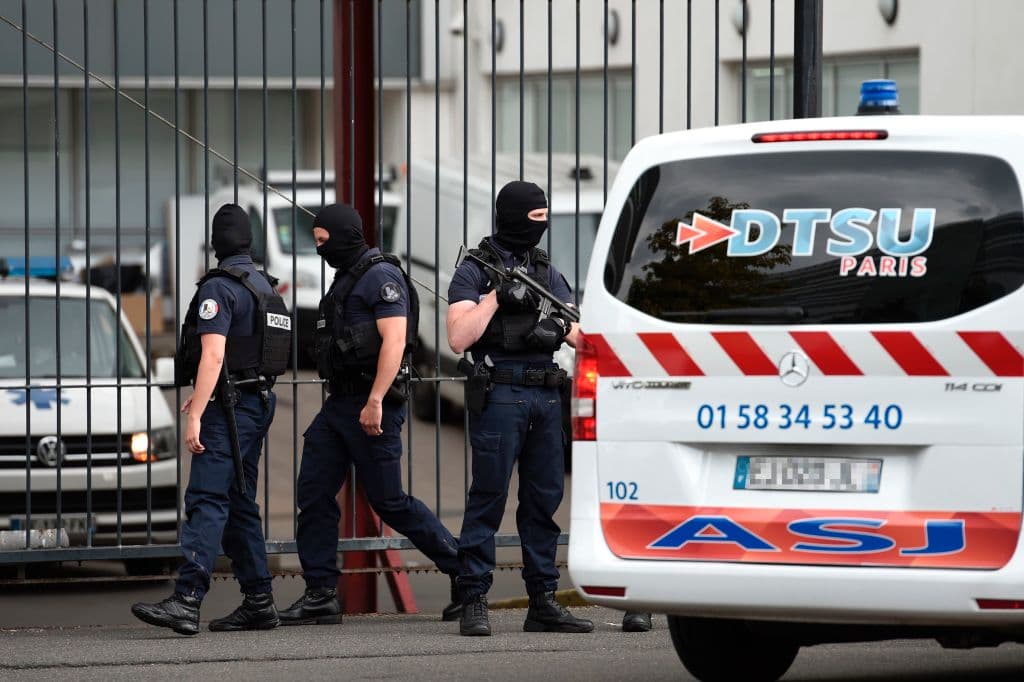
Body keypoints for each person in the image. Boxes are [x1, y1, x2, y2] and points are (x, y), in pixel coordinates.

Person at [278, 203, 462, 625]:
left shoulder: (380, 277)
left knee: (390, 501)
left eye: (324, 242)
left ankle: (464, 570)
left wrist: (376, 399)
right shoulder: (348, 277)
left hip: (371, 403)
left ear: (344, 236)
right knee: (314, 493)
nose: (321, 250)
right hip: (339, 405)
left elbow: (395, 341)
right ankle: (321, 593)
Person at [132, 204, 290, 635]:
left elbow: (215, 354)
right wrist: (206, 397)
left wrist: (197, 412)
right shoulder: (265, 286)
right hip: (257, 401)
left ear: (216, 243)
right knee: (239, 501)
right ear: (249, 241)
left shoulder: (219, 289)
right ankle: (259, 601)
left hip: (230, 408)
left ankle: (186, 600)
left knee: (206, 498)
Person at [446, 181, 593, 637]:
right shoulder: (474, 269)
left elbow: (580, 334)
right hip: (501, 394)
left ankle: (543, 601)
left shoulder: (545, 270)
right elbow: (458, 337)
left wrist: (552, 327)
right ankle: (473, 599)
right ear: (510, 216)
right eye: (534, 218)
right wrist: (496, 297)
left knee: (543, 500)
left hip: (546, 397)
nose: (540, 227)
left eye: (543, 218)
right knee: (487, 499)